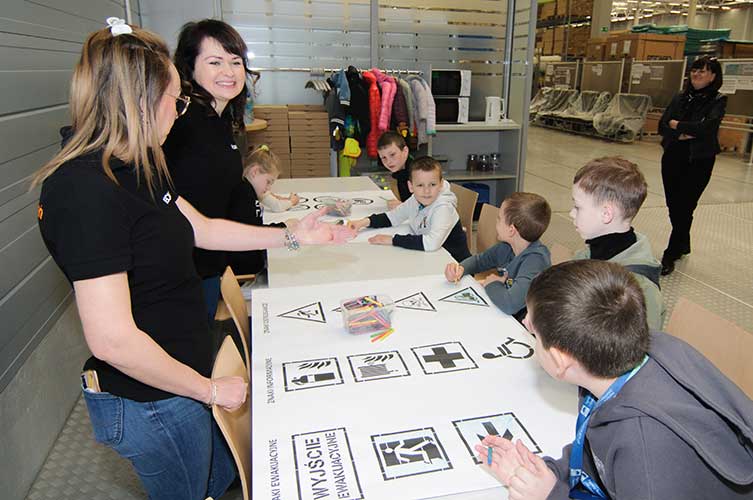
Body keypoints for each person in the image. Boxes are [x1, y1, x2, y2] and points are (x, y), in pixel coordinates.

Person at [32, 22, 352, 500]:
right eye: (175, 100)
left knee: (219, 478)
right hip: (154, 399)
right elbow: (112, 340)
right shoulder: (84, 191)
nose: (179, 112)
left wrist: (292, 237)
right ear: (141, 101)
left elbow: (201, 228)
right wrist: (208, 390)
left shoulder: (139, 163)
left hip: (185, 372)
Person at [475, 260, 753, 499]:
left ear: (560, 361)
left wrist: (551, 495)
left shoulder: (643, 448)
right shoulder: (634, 356)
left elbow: (633, 461)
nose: (528, 330)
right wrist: (552, 473)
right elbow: (599, 446)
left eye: (534, 334)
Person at [162, 19, 255, 321]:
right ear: (189, 67)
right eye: (215, 62)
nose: (229, 72)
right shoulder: (183, 122)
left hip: (209, 262)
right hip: (182, 272)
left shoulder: (217, 120)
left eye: (235, 62)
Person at [570, 157, 664, 330]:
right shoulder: (587, 256)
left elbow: (641, 345)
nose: (571, 213)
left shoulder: (639, 292)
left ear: (606, 214)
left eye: (577, 207)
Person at [658, 56, 727, 276]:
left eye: (703, 71)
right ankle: (683, 242)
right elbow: (662, 125)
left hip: (699, 159)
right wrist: (680, 132)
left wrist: (677, 124)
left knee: (685, 205)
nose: (697, 74)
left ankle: (671, 253)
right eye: (695, 70)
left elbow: (706, 128)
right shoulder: (679, 97)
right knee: (673, 204)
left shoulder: (718, 100)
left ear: (713, 76)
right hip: (673, 156)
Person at [444, 192, 551, 319]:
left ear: (511, 230)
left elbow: (510, 304)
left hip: (524, 324)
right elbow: (479, 261)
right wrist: (460, 269)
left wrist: (492, 283)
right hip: (503, 312)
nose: (496, 222)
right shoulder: (507, 247)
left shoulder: (535, 261)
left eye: (499, 218)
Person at [349, 156, 471, 262]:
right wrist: (363, 222)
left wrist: (393, 240)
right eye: (420, 185)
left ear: (440, 184)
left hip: (456, 266)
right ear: (411, 186)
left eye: (432, 184)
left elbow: (430, 243)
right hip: (431, 259)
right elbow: (394, 216)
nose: (426, 191)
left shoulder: (444, 208)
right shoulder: (416, 200)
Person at [226, 145, 298, 276]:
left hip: (252, 259)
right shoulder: (244, 194)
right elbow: (254, 233)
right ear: (254, 172)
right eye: (268, 182)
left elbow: (253, 227)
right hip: (247, 269)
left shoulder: (247, 190)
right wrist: (283, 227)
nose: (268, 188)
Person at [378, 131, 412, 210]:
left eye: (392, 155)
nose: (388, 162)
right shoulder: (396, 176)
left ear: (405, 151)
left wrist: (404, 207)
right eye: (384, 158)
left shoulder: (420, 173)